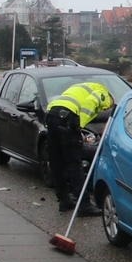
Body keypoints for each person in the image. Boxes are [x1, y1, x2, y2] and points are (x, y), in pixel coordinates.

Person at [45, 82, 113, 215]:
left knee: (56, 162)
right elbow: (91, 103)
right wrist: (78, 127)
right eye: (108, 106)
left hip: (52, 116)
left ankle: (64, 200)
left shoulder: (80, 88)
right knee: (74, 164)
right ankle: (84, 205)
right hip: (67, 120)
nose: (106, 108)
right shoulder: (102, 92)